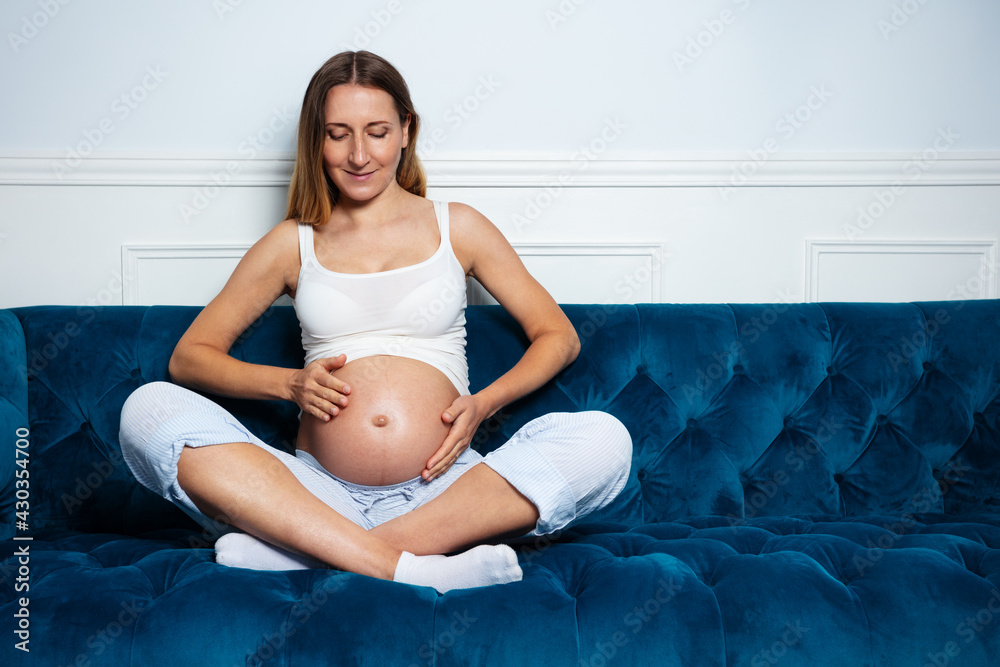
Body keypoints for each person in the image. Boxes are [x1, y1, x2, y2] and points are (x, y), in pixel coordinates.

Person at [119, 50, 632, 594]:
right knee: (146, 410)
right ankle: (404, 564)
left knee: (605, 442)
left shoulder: (459, 227)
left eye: (378, 131)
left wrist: (484, 403)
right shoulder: (291, 243)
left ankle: (310, 551)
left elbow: (558, 337)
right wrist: (287, 384)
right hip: (314, 491)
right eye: (338, 134)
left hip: (447, 492)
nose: (359, 154)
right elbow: (189, 357)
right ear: (315, 140)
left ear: (407, 131)